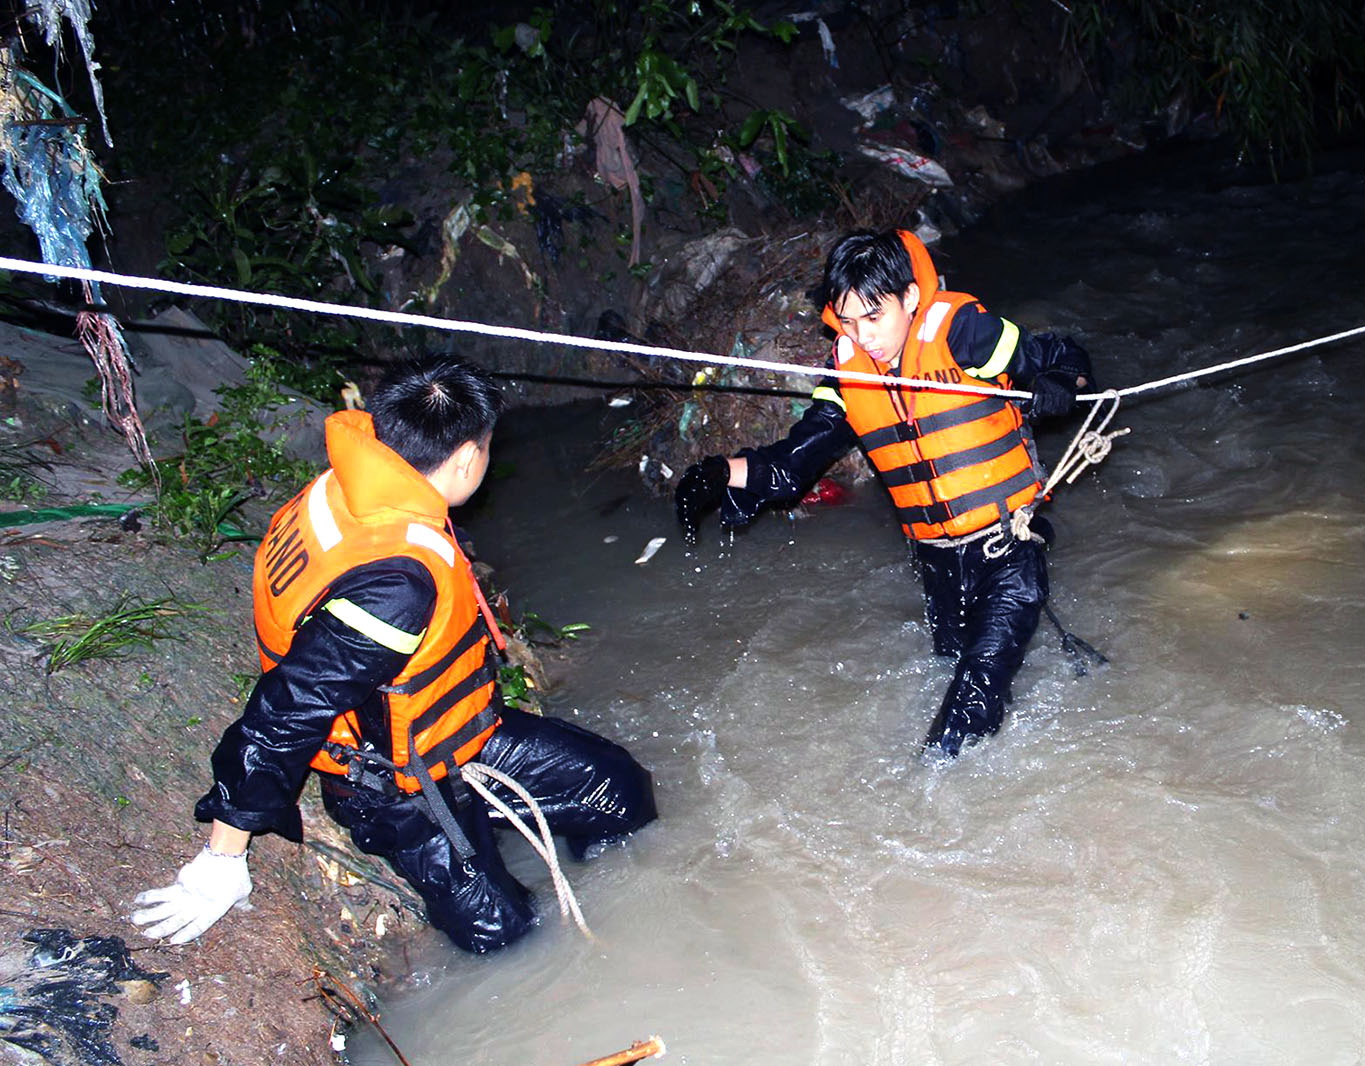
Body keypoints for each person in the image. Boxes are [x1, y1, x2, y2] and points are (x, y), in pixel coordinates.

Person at [132, 356, 657, 953]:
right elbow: (286, 709)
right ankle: (481, 863)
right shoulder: (398, 585)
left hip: (456, 733)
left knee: (617, 791)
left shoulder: (350, 487)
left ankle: (513, 838)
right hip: (393, 781)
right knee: (504, 935)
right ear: (465, 458)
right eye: (485, 449)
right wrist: (224, 854)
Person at [675, 229, 1095, 757]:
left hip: (1010, 551)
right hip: (939, 564)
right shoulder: (848, 368)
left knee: (960, 724)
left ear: (911, 299)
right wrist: (718, 474)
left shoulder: (964, 332)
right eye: (849, 321)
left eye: (874, 317)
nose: (863, 336)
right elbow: (794, 462)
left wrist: (1062, 381)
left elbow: (1063, 352)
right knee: (950, 664)